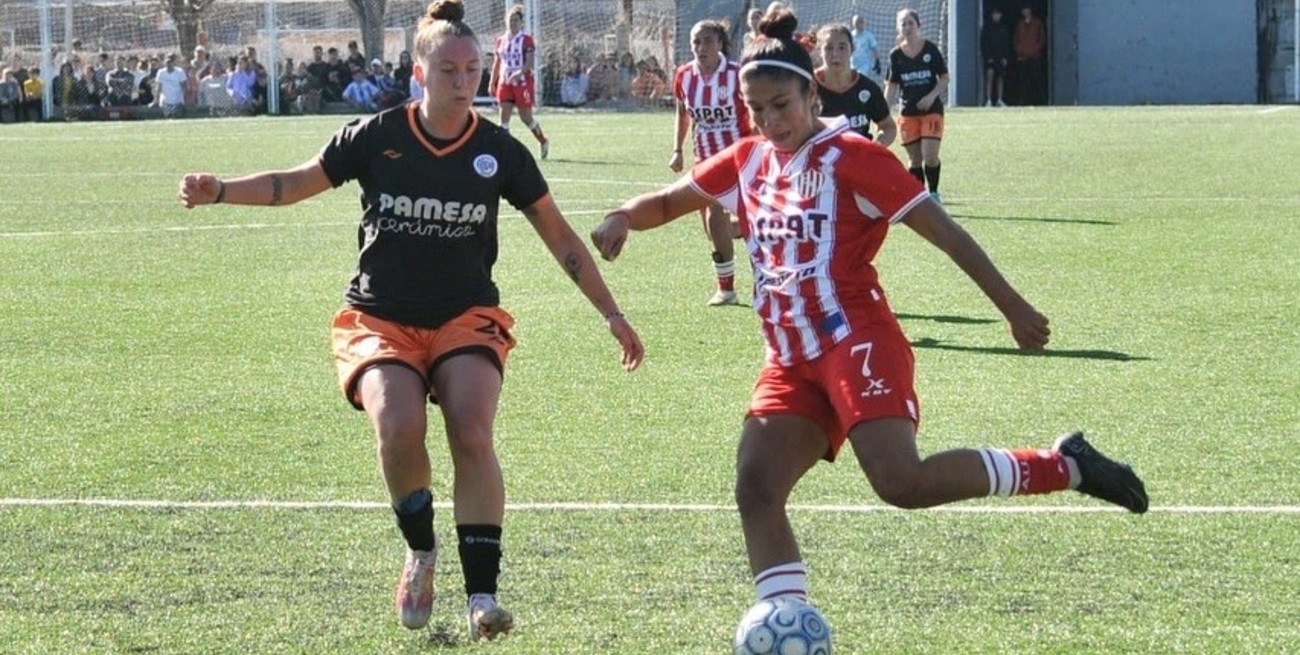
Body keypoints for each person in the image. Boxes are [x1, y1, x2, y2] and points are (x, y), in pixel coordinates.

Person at [590, 2, 1147, 626]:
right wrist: (623, 216)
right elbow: (671, 200)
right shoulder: (747, 160)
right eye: (758, 110)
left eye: (782, 105)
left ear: (810, 94)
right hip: (790, 358)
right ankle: (787, 624)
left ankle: (1065, 466)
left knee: (900, 482)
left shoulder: (854, 156)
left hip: (856, 338)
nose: (770, 121)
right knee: (756, 487)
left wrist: (1012, 306)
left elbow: (946, 233)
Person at [176, 0, 644, 641]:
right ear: (419, 73)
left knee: (471, 430)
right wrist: (222, 189)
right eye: (448, 69)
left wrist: (611, 314)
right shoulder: (378, 136)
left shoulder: (500, 151)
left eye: (473, 69)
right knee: (399, 427)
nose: (463, 81)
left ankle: (482, 594)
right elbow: (297, 182)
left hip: (465, 316)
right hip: (379, 318)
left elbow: (559, 236)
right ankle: (421, 552)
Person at [670, 19, 751, 306]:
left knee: (717, 216)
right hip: (704, 159)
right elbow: (683, 114)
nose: (700, 47)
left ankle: (727, 289)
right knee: (713, 228)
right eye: (695, 42)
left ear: (719, 43)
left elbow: (755, 110)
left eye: (706, 41)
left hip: (737, 157)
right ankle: (747, 228)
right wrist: (677, 149)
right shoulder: (684, 75)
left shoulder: (737, 74)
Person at [884, 9, 948, 202]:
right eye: (903, 24)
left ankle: (934, 193)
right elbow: (892, 86)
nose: (907, 27)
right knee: (914, 160)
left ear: (918, 25)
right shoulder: (895, 55)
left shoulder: (930, 49)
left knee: (929, 155)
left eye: (910, 23)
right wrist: (882, 112)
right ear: (898, 28)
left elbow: (944, 78)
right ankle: (920, 199)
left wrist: (931, 96)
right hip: (908, 113)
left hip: (932, 111)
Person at [815, 23, 896, 146]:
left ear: (852, 49)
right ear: (820, 51)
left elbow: (888, 127)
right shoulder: (807, 87)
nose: (835, 54)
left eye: (842, 47)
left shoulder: (867, 88)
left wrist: (873, 148)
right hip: (819, 161)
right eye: (829, 48)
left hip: (858, 161)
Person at [490, 5, 549, 159]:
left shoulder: (526, 40)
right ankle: (505, 152)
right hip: (505, 82)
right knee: (503, 119)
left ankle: (543, 141)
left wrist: (519, 73)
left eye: (516, 20)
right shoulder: (500, 40)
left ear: (521, 22)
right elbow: (497, 63)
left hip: (522, 82)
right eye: (510, 20)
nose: (512, 23)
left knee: (526, 118)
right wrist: (492, 82)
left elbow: (529, 62)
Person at [1013, 4, 1046, 105]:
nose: (1025, 12)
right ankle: (1023, 102)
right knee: (1023, 82)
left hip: (1035, 57)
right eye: (1023, 10)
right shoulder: (1019, 24)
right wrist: (1019, 51)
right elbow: (1015, 40)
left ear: (1030, 10)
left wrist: (1035, 50)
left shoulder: (1037, 23)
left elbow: (1042, 39)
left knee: (1037, 80)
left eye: (1027, 9)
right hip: (1022, 57)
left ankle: (1042, 102)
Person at [981, 7, 1011, 107]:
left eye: (998, 14)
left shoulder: (1004, 28)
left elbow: (1006, 43)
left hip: (1000, 57)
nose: (996, 16)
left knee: (1000, 77)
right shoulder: (987, 28)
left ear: (1001, 16)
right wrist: (988, 56)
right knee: (990, 76)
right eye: (995, 14)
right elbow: (984, 44)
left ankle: (1000, 99)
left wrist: (1005, 57)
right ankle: (989, 100)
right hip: (990, 57)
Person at [848, 14, 881, 83]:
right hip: (853, 65)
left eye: (862, 22)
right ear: (854, 24)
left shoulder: (868, 35)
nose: (861, 24)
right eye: (858, 22)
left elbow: (874, 48)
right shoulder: (851, 36)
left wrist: (877, 61)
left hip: (864, 65)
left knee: (861, 81)